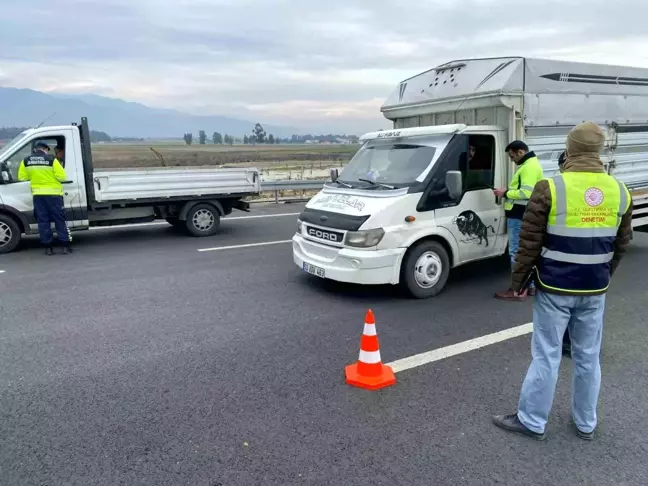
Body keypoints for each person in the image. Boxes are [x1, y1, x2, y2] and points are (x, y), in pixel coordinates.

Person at [492, 122, 633, 441]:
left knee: (547, 354)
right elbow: (621, 244)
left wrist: (520, 282)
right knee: (587, 355)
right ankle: (586, 423)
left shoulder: (550, 187)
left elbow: (529, 241)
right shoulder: (620, 191)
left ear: (569, 150)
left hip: (555, 287)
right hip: (594, 288)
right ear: (597, 151)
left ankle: (532, 420)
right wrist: (602, 275)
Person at [493, 141, 544, 301]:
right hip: (525, 213)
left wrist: (505, 193)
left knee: (515, 252)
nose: (511, 159)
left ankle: (517, 290)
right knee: (526, 251)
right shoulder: (532, 164)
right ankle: (530, 287)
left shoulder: (528, 167)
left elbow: (526, 193)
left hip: (518, 214)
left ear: (520, 152)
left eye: (512, 156)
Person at [17, 142, 72, 255]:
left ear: (36, 149)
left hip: (38, 196)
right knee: (59, 220)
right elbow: (62, 176)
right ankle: (65, 246)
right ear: (46, 149)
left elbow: (22, 177)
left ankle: (48, 248)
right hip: (54, 195)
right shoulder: (51, 160)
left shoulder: (26, 161)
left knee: (43, 221)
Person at [557, 151, 571, 358]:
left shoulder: (554, 187)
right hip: (595, 274)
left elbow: (532, 238)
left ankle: (565, 343)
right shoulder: (613, 187)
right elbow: (620, 242)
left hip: (559, 270)